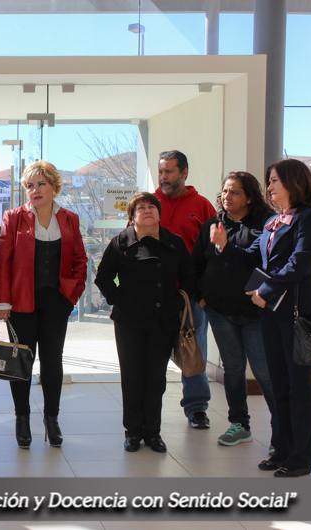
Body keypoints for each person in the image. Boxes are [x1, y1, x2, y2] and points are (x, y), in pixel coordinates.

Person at [211, 158, 311, 478]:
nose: (269, 187)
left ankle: (300, 459)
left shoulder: (309, 218)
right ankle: (282, 450)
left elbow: (301, 262)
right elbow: (252, 258)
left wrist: (267, 289)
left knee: (300, 387)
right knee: (280, 385)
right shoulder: (275, 221)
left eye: (274, 181)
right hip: (272, 314)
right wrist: (223, 246)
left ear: (293, 182)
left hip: (298, 315)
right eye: (269, 181)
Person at [0, 161, 88, 449]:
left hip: (57, 301)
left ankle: (52, 419)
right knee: (20, 360)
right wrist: (2, 301)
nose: (35, 190)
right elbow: (3, 262)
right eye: (30, 186)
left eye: (41, 184)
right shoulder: (13, 217)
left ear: (54, 187)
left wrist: (71, 296)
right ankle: (22, 419)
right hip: (21, 301)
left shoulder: (70, 218)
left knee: (52, 361)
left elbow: (80, 260)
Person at [95, 192, 193, 453]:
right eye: (140, 208)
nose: (147, 210)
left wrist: (178, 302)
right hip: (129, 321)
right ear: (132, 216)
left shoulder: (174, 242)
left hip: (164, 320)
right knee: (133, 377)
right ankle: (133, 431)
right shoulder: (120, 242)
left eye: (152, 206)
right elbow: (103, 277)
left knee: (156, 378)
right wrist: (119, 299)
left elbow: (189, 276)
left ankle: (153, 432)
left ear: (159, 214)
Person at [192, 172, 276, 447]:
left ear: (250, 197)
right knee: (233, 369)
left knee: (264, 372)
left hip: (255, 314)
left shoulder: (267, 224)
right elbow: (196, 265)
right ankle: (239, 424)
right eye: (225, 191)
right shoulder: (212, 225)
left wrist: (225, 246)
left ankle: (282, 430)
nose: (227, 197)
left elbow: (260, 263)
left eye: (235, 192)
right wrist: (202, 299)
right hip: (220, 313)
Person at [155, 150, 215, 429]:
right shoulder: (149, 203)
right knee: (153, 353)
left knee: (193, 351)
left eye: (169, 171)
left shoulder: (202, 206)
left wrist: (202, 295)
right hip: (154, 296)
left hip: (190, 297)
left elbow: (214, 253)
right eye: (160, 171)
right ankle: (149, 409)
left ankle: (197, 408)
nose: (163, 177)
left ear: (184, 173)